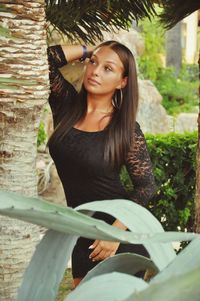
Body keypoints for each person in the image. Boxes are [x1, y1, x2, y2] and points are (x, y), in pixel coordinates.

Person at [47, 40, 156, 288]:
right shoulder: (66, 107)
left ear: (123, 82)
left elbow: (146, 186)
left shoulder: (125, 129)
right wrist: (89, 49)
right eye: (93, 63)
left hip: (119, 235)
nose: (95, 71)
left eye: (108, 68)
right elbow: (46, 60)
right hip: (82, 229)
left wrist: (115, 234)